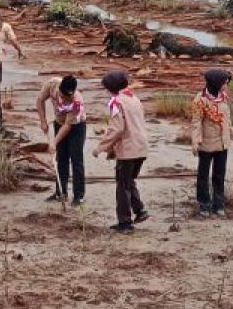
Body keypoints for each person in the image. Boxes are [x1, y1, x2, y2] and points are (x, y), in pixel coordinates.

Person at [92, 71, 150, 233]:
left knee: (123, 185)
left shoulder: (116, 102)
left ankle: (125, 223)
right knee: (129, 181)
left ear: (111, 89)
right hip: (141, 146)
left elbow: (117, 129)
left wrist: (101, 147)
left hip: (128, 149)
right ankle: (140, 210)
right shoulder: (134, 98)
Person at [191, 68, 233, 218]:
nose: (226, 86)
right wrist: (196, 141)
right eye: (224, 83)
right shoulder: (200, 100)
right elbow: (196, 122)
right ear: (216, 83)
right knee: (203, 176)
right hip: (207, 144)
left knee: (219, 176)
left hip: (222, 144)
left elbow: (226, 120)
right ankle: (204, 205)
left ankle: (219, 205)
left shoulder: (223, 98)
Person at [36, 75, 87, 205]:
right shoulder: (52, 84)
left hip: (76, 127)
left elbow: (68, 126)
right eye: (63, 97)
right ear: (60, 90)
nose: (65, 100)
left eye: (68, 98)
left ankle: (78, 196)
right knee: (61, 159)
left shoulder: (77, 101)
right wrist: (43, 121)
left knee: (76, 160)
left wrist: (53, 143)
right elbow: (40, 100)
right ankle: (61, 192)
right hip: (59, 123)